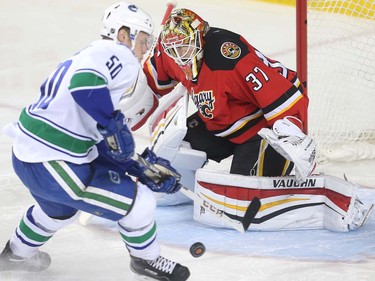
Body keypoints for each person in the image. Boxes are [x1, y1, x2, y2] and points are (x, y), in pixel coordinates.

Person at [0, 2, 190, 280]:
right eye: (143, 40)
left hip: (29, 155)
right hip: (54, 163)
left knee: (59, 212)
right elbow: (84, 86)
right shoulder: (118, 53)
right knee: (140, 203)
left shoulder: (90, 53)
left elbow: (93, 135)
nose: (145, 49)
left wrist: (136, 165)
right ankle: (146, 260)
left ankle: (17, 254)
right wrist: (113, 125)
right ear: (123, 34)